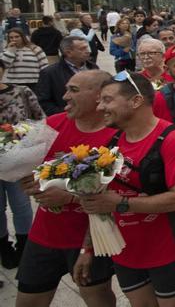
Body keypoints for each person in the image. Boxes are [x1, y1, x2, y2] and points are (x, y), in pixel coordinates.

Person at [77, 72, 175, 307]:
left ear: (136, 101)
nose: (100, 107)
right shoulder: (112, 143)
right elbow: (100, 203)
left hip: (167, 248)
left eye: (107, 100)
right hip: (124, 249)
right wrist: (87, 249)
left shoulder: (173, 139)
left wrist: (121, 203)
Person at [15, 70, 117, 307]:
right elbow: (31, 171)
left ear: (99, 96)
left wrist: (70, 198)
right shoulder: (52, 126)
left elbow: (118, 197)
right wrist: (30, 180)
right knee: (28, 299)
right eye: (66, 89)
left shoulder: (117, 135)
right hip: (44, 234)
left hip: (91, 237)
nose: (65, 97)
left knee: (97, 297)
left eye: (74, 90)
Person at [0, 63, 42, 270]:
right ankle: (4, 248)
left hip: (18, 159)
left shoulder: (22, 92)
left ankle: (25, 246)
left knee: (21, 204)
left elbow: (40, 119)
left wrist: (25, 135)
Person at [35, 36, 98, 115]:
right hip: (67, 117)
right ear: (68, 53)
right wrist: (66, 113)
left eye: (87, 48)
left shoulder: (93, 68)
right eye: (82, 49)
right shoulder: (50, 73)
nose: (88, 51)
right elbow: (43, 102)